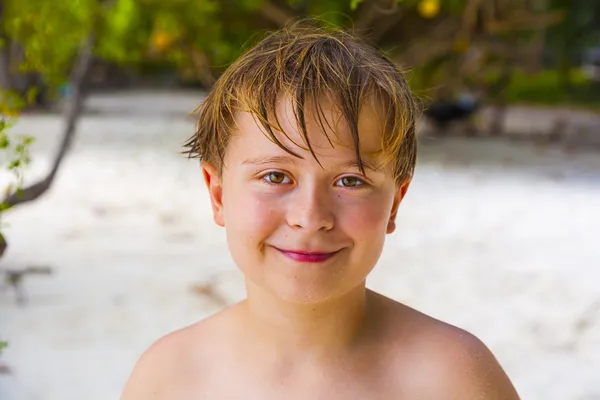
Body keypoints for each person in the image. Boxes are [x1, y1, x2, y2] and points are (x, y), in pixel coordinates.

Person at [120, 21, 520, 399]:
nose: (309, 216)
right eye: (276, 177)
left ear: (395, 203)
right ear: (218, 195)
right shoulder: (167, 379)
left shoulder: (454, 380)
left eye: (350, 181)